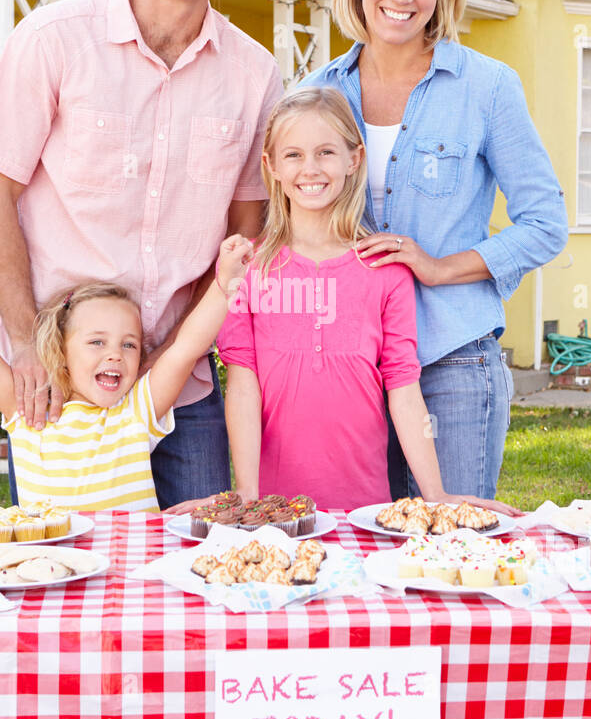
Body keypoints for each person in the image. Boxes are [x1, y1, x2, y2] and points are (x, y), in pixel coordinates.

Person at [0, 0, 284, 509]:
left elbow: (247, 226)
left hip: (182, 384)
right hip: (63, 386)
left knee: (199, 579)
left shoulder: (255, 76)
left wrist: (179, 353)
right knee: (62, 580)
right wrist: (24, 341)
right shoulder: (53, 40)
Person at [303, 0, 568, 501]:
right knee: (359, 555)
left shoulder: (488, 86)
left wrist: (441, 267)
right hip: (349, 362)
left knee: (450, 548)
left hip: (451, 360)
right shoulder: (316, 92)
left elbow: (545, 222)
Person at [212, 87, 519, 513]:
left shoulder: (384, 269)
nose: (310, 169)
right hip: (275, 510)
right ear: (271, 166)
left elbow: (404, 386)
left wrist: (436, 495)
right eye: (294, 155)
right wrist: (247, 493)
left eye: (325, 152)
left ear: (354, 159)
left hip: (366, 509)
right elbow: (242, 383)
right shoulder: (249, 267)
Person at [0, 217, 253, 512]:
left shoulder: (136, 412)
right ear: (61, 349)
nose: (115, 354)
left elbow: (185, 347)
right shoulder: (25, 410)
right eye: (96, 342)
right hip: (51, 577)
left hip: (128, 582)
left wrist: (224, 284)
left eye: (128, 344)